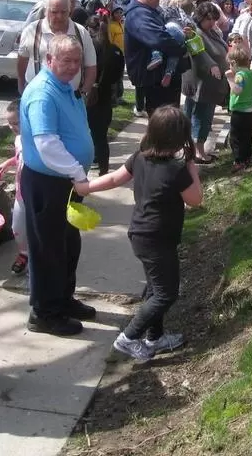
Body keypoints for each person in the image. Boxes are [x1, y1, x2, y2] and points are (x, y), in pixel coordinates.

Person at [73, 106, 203, 360]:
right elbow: (196, 199)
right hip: (158, 241)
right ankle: (128, 338)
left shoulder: (140, 158)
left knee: (155, 288)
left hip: (141, 236)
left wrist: (85, 187)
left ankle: (154, 338)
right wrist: (193, 169)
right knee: (167, 293)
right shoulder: (176, 170)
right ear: (180, 138)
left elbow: (112, 179)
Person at [20, 35, 96, 336]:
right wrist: (78, 173)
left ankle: (63, 299)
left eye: (77, 61)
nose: (73, 67)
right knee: (47, 248)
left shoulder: (64, 87)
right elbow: (46, 144)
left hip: (64, 183)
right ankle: (44, 312)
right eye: (66, 60)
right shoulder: (42, 93)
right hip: (47, 183)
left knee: (67, 244)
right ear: (49, 60)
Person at [124, 0, 188, 116]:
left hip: (163, 80)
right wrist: (182, 48)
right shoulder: (138, 14)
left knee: (170, 125)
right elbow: (159, 39)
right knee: (163, 127)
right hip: (154, 81)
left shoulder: (152, 10)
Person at [17, 0, 97, 95]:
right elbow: (22, 60)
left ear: (70, 11)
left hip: (71, 97)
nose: (59, 16)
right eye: (54, 12)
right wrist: (21, 87)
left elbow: (91, 66)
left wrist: (84, 92)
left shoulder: (81, 33)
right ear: (46, 11)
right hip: (37, 97)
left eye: (63, 12)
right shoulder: (31, 30)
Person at [188, 2, 229, 163]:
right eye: (209, 19)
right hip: (203, 84)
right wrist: (212, 65)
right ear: (201, 17)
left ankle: (198, 150)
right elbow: (199, 54)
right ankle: (198, 152)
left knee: (205, 117)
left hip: (213, 84)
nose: (212, 23)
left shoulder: (211, 32)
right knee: (201, 117)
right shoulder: (195, 33)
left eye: (214, 19)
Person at [85, 14, 125, 175]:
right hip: (107, 95)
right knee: (101, 134)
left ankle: (92, 160)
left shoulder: (90, 49)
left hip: (90, 96)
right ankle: (103, 166)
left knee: (89, 132)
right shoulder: (115, 50)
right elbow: (118, 75)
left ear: (90, 29)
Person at [0, 100, 28, 275]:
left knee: (39, 229)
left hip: (36, 193)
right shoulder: (18, 140)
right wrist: (8, 163)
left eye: (16, 123)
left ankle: (41, 257)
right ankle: (24, 253)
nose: (12, 127)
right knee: (17, 227)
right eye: (9, 123)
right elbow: (19, 158)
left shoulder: (36, 139)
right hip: (21, 193)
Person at [225, 45, 252, 171]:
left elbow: (237, 91)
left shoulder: (239, 75)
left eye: (230, 65)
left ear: (233, 63)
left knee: (236, 137)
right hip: (251, 110)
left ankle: (239, 160)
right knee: (248, 134)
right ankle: (247, 156)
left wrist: (230, 79)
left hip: (239, 111)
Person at [109, 6, 126, 102]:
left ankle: (120, 96)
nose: (120, 14)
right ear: (113, 14)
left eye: (121, 12)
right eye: (117, 12)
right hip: (115, 55)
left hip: (122, 54)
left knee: (120, 75)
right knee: (115, 76)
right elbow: (110, 41)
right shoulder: (111, 26)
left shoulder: (121, 25)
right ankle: (114, 97)